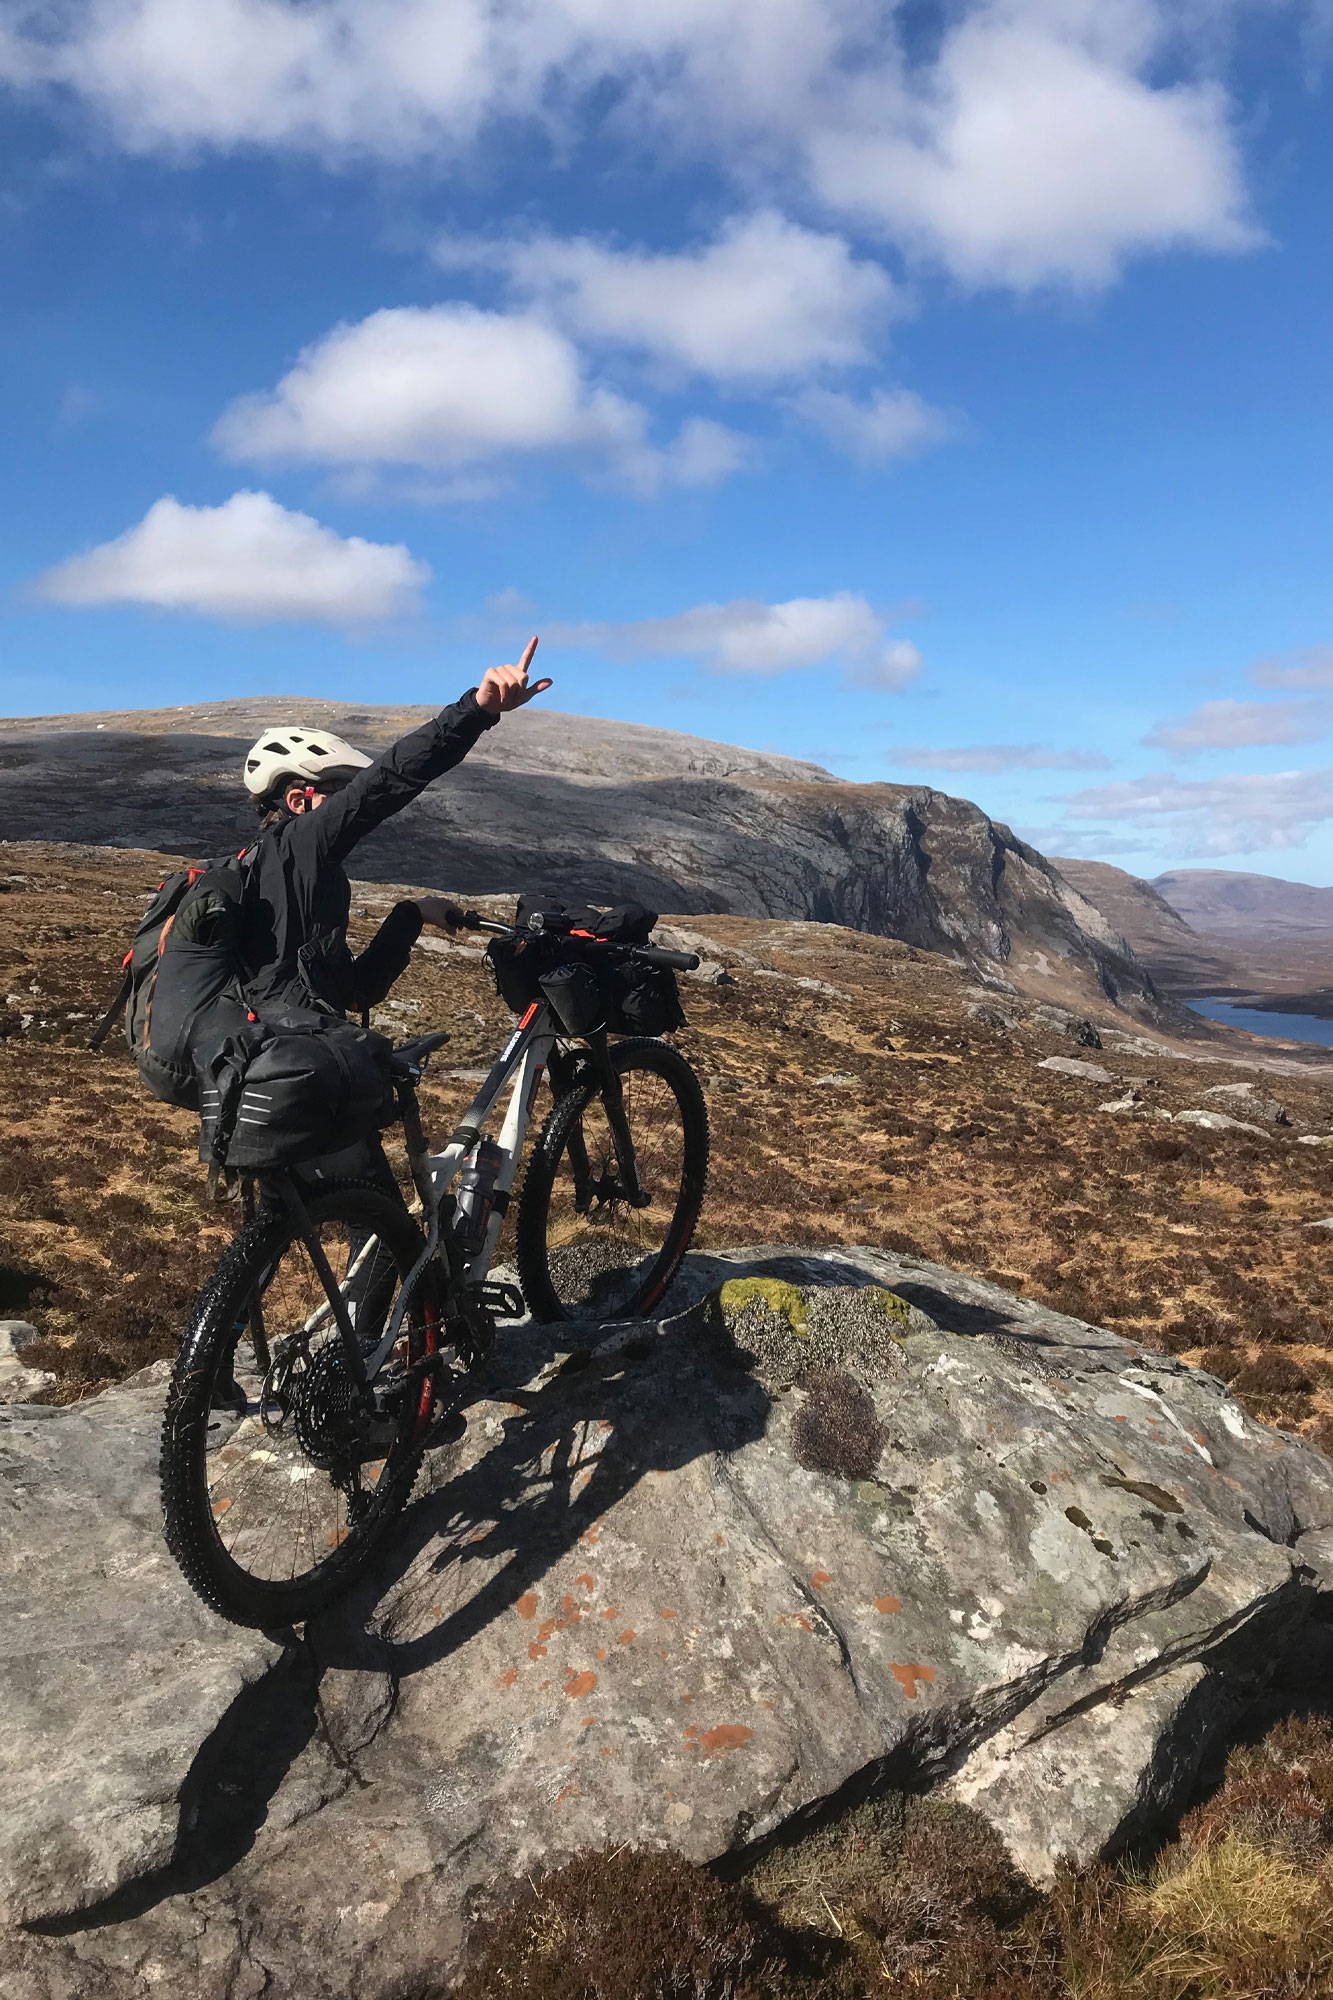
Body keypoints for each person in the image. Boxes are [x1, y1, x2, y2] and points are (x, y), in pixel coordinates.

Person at [236, 636, 549, 1192]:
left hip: (271, 1068)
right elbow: (390, 780)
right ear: (299, 800)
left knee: (319, 1219)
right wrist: (475, 712)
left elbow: (356, 992)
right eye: (338, 790)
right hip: (300, 1067)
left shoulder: (277, 872)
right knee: (377, 1222)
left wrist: (411, 914)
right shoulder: (302, 845)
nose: (349, 800)